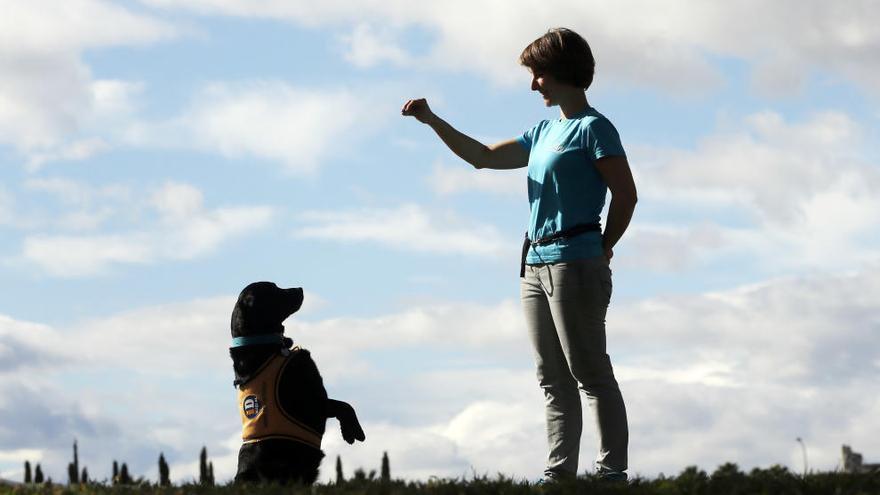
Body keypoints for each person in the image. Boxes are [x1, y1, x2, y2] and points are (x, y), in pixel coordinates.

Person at [401, 27, 636, 482]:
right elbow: (482, 156)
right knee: (552, 378)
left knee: (589, 372)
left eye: (538, 74)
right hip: (534, 265)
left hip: (576, 261)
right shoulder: (544, 131)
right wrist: (433, 121)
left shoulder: (595, 129)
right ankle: (559, 475)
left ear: (561, 72)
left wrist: (603, 248)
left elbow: (626, 196)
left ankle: (611, 476)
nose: (533, 84)